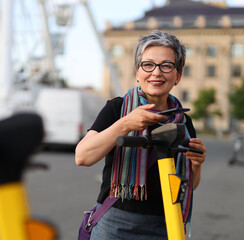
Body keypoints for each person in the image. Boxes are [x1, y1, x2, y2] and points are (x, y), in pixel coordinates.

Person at [75, 30, 206, 240]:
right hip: (113, 225)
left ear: (178, 76)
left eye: (166, 65)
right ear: (138, 72)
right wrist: (125, 124)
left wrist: (196, 165)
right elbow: (82, 157)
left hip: (166, 224)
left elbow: (189, 183)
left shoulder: (183, 120)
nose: (156, 72)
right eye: (148, 65)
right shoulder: (117, 109)